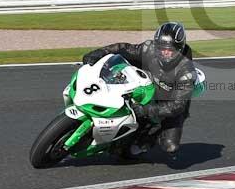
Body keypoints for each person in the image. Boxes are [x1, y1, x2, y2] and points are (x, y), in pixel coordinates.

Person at [81, 22, 195, 157]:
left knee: (170, 146)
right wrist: (98, 53)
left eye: (170, 50)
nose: (165, 53)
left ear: (179, 49)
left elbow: (177, 106)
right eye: (161, 48)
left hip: (169, 102)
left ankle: (146, 142)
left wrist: (146, 110)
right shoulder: (149, 48)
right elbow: (123, 48)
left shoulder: (186, 72)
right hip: (145, 87)